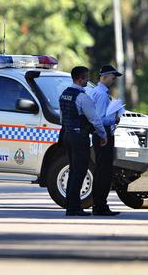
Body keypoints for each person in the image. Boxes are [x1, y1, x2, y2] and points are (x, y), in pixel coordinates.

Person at [59, 66, 107, 216]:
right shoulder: (82, 97)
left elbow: (62, 118)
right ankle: (74, 208)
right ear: (80, 79)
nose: (88, 80)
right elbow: (95, 119)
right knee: (79, 171)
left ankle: (70, 204)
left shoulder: (64, 94)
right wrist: (103, 134)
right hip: (79, 137)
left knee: (73, 170)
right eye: (86, 77)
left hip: (67, 135)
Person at [87, 65, 123, 216]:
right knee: (104, 171)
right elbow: (101, 119)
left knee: (101, 170)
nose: (114, 79)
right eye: (113, 76)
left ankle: (99, 204)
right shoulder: (102, 94)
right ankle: (100, 205)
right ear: (105, 76)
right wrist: (115, 118)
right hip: (103, 135)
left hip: (99, 134)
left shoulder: (96, 91)